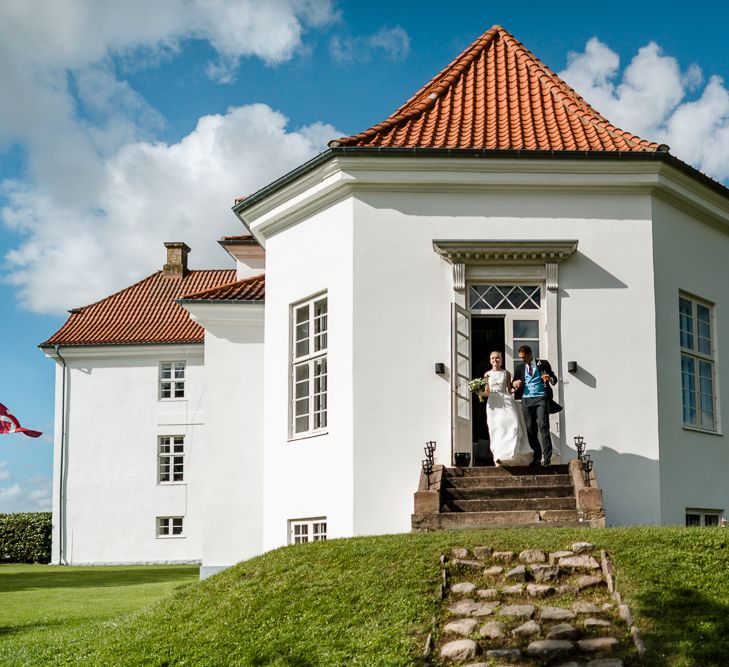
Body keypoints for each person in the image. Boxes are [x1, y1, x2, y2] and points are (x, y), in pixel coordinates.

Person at [512, 345, 560, 466]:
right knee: (530, 430)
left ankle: (547, 458)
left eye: (523, 357)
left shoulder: (543, 364)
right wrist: (515, 383)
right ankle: (537, 457)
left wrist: (550, 378)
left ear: (529, 355)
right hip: (526, 400)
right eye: (520, 358)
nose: (521, 360)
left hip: (541, 398)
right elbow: (515, 382)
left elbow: (554, 377)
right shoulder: (520, 367)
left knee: (543, 426)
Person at [483, 351, 533, 466]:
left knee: (512, 426)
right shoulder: (487, 374)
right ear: (490, 360)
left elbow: (509, 390)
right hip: (493, 404)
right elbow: (487, 392)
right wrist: (478, 391)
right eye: (493, 358)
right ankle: (499, 456)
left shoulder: (506, 373)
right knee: (496, 429)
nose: (495, 360)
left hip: (506, 401)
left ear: (501, 359)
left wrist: (517, 387)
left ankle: (511, 455)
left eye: (497, 358)